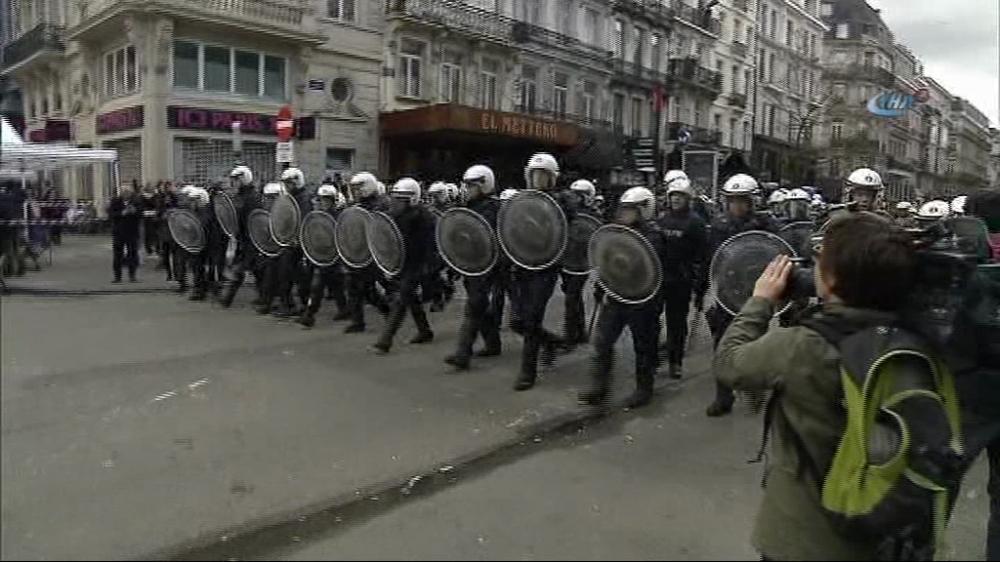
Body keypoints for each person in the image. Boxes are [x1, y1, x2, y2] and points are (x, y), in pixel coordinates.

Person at [715, 213, 962, 561]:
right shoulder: (919, 341)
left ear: (829, 280)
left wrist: (760, 302)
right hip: (882, 533)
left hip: (803, 535)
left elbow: (729, 364)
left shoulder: (803, 346)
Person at [580, 187, 666, 409]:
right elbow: (606, 260)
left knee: (643, 346)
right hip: (617, 294)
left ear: (644, 210)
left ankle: (644, 388)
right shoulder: (617, 232)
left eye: (631, 211)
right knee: (602, 341)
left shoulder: (654, 235)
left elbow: (649, 266)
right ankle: (599, 386)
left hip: (642, 299)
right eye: (624, 210)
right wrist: (601, 285)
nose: (625, 215)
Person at [705, 173, 778, 417]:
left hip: (754, 292)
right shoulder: (718, 226)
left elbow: (776, 255)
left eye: (742, 200)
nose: (737, 206)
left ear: (752, 201)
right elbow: (711, 260)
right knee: (722, 345)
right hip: (726, 292)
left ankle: (753, 390)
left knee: (755, 344)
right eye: (732, 200)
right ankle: (722, 396)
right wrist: (701, 290)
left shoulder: (766, 227)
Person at [511, 153, 574, 391]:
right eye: (534, 175)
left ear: (552, 178)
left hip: (546, 266)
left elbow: (568, 230)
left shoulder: (561, 202)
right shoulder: (521, 200)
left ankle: (528, 372)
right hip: (524, 264)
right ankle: (550, 342)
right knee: (517, 320)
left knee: (533, 316)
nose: (538, 179)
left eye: (543, 175)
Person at [445, 165, 503, 370]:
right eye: (466, 185)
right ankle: (493, 344)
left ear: (484, 185)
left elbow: (492, 238)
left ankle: (463, 353)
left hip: (489, 265)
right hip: (473, 264)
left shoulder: (494, 208)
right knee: (480, 306)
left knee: (474, 306)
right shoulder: (469, 207)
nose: (467, 189)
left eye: (472, 186)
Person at [370, 178, 436, 354]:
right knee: (411, 298)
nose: (397, 202)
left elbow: (430, 245)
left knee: (401, 299)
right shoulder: (394, 216)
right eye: (396, 198)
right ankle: (425, 331)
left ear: (412, 199)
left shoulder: (424, 217)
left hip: (417, 264)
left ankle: (385, 341)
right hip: (402, 263)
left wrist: (429, 269)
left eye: (402, 199)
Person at [657, 177, 708, 380]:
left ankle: (675, 361)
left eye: (680, 196)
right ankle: (652, 358)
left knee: (676, 323)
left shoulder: (696, 223)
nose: (676, 200)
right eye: (673, 196)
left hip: (681, 280)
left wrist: (700, 284)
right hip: (659, 278)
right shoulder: (661, 219)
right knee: (651, 321)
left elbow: (703, 255)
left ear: (688, 199)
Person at [343, 172, 391, 333]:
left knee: (371, 288)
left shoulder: (383, 204)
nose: (356, 192)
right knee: (354, 286)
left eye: (359, 189)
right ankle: (357, 322)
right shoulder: (356, 206)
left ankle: (388, 310)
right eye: (354, 189)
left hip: (375, 253)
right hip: (358, 251)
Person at [297, 184, 349, 327]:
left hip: (332, 257)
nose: (323, 202)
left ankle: (309, 315)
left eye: (326, 200)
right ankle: (343, 309)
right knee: (335, 285)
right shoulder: (315, 216)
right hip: (319, 255)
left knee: (319, 286)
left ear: (333, 201)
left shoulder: (338, 217)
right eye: (320, 199)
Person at [561, 178, 598, 345]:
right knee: (573, 297)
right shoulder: (567, 213)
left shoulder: (592, 215)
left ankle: (570, 335)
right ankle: (580, 331)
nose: (575, 198)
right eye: (574, 195)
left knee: (571, 297)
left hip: (581, 262)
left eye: (579, 195)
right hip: (567, 259)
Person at [109, 185, 142, 283]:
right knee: (117, 255)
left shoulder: (136, 202)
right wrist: (122, 213)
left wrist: (134, 212)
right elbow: (111, 214)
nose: (126, 194)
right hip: (119, 232)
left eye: (128, 192)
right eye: (124, 192)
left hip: (132, 232)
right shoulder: (115, 202)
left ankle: (132, 275)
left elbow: (141, 214)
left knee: (133, 253)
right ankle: (117, 277)